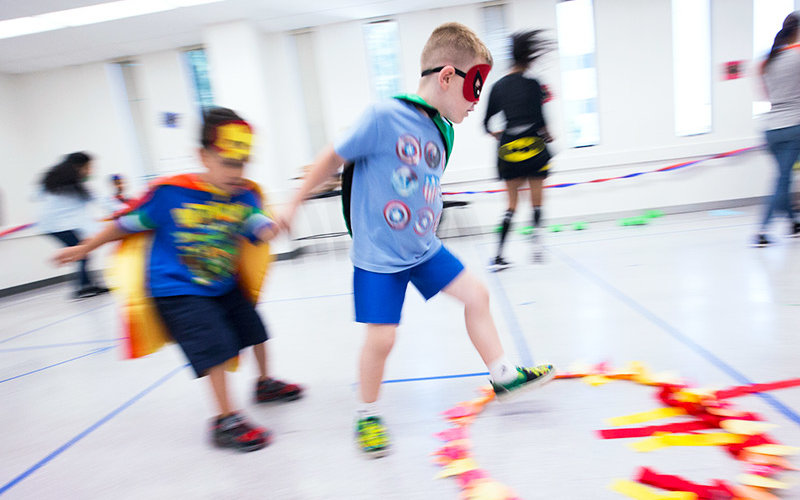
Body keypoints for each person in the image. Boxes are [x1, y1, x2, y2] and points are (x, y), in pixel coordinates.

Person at [277, 22, 554, 458]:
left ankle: (502, 373)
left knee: (477, 296)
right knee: (383, 340)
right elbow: (333, 155)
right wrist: (293, 203)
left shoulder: (443, 131)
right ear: (447, 76)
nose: (476, 101)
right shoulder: (383, 116)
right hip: (378, 258)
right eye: (474, 88)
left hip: (423, 249)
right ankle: (366, 414)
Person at [54, 108, 302, 452]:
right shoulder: (170, 195)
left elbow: (258, 223)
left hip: (222, 283)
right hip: (177, 288)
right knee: (213, 346)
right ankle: (224, 419)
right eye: (228, 162)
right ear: (203, 156)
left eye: (243, 163)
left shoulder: (244, 195)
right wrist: (87, 246)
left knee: (255, 330)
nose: (236, 172)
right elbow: (125, 224)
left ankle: (264, 383)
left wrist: (275, 225)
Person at [483, 30, 555, 269]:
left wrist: (498, 135)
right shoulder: (534, 84)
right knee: (536, 202)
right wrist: (548, 135)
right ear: (529, 59)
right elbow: (541, 121)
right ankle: (536, 248)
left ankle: (499, 255)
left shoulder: (498, 87)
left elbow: (486, 123)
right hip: (534, 148)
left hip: (509, 152)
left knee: (511, 205)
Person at [756, 11, 800, 246]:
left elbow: (765, 94)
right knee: (782, 180)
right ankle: (762, 230)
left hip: (771, 129)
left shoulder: (768, 60)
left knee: (784, 177)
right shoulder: (796, 57)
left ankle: (794, 222)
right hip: (793, 126)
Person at [39, 151, 110, 298]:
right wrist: (126, 211)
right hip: (59, 226)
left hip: (53, 226)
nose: (91, 170)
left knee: (83, 252)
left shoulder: (57, 183)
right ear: (79, 167)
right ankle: (83, 287)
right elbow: (99, 201)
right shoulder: (72, 187)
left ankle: (85, 285)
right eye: (89, 167)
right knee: (82, 252)